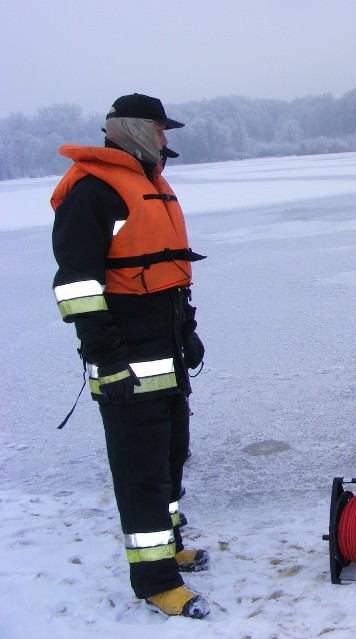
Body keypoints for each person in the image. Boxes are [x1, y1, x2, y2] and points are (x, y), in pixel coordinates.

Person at [51, 94, 211, 617]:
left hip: (164, 354)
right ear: (134, 130)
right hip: (125, 364)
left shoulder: (149, 187)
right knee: (140, 470)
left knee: (170, 458)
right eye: (160, 130)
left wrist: (185, 331)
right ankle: (155, 580)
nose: (166, 139)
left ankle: (168, 544)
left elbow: (169, 277)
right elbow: (77, 286)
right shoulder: (93, 192)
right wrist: (107, 359)